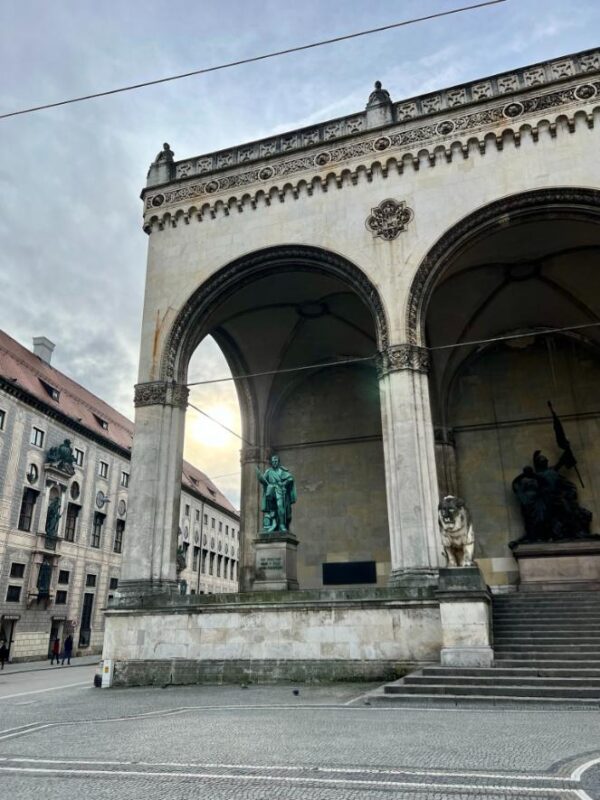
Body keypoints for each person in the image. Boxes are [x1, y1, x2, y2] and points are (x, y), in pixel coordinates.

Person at [255, 454, 296, 533]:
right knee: (272, 508)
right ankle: (274, 523)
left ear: (278, 462)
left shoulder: (282, 471)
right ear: (271, 462)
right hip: (271, 491)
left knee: (280, 507)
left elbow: (291, 478)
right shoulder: (269, 471)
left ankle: (281, 524)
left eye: (276, 461)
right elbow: (263, 480)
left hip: (280, 491)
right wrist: (259, 475)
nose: (274, 462)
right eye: (273, 461)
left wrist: (284, 483)